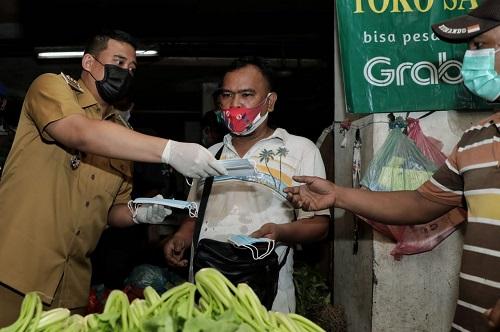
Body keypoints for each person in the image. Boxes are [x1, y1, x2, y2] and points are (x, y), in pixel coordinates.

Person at [284, 1, 500, 330]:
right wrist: (338, 195)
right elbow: (421, 203)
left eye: (481, 46)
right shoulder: (476, 139)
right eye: (470, 48)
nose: (472, 58)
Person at [0, 29, 227, 325]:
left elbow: (110, 213)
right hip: (14, 271)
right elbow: (80, 133)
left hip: (72, 287)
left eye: (132, 68)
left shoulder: (122, 135)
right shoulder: (51, 87)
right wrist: (170, 150)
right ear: (89, 63)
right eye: (118, 62)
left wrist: (138, 213)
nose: (125, 73)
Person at [163, 56, 330, 312]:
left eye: (247, 95)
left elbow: (319, 224)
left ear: (270, 101)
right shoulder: (208, 155)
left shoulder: (300, 150)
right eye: (227, 95)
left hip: (268, 296)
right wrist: (182, 235)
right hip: (207, 294)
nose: (235, 104)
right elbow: (195, 213)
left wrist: (281, 232)